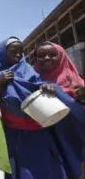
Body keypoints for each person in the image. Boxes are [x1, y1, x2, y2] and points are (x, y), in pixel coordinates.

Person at [0, 36, 73, 179]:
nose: (18, 55)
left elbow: (37, 85)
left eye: (20, 52)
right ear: (2, 53)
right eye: (13, 52)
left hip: (37, 131)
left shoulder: (28, 70)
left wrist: (44, 87)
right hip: (12, 133)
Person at [34, 41, 85, 179]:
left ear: (62, 56)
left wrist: (59, 93)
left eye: (52, 54)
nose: (46, 58)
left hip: (78, 145)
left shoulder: (78, 84)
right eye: (41, 55)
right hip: (51, 146)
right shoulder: (32, 83)